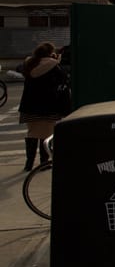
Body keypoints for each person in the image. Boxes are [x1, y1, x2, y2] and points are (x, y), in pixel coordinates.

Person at [18, 42, 69, 171]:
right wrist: (57, 60)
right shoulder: (54, 66)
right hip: (48, 106)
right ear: (50, 53)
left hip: (29, 106)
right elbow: (63, 79)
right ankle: (43, 162)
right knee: (46, 135)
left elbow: (20, 69)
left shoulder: (30, 64)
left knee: (32, 133)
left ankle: (28, 163)